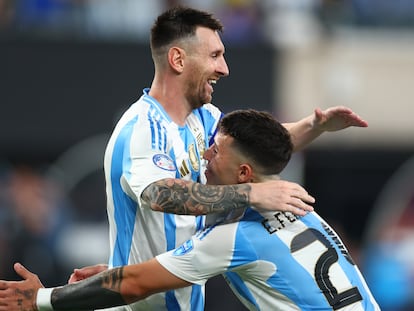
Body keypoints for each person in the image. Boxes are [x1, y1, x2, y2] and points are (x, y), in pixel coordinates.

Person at [63, 5, 368, 310]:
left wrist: (314, 126)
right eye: (214, 55)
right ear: (178, 59)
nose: (224, 68)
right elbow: (161, 194)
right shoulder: (142, 130)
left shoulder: (204, 118)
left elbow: (251, 151)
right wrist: (251, 193)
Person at [0, 109, 379, 311]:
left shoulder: (232, 238)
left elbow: (134, 285)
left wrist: (40, 299)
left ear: (243, 174)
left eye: (216, 151)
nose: (206, 156)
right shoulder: (303, 211)